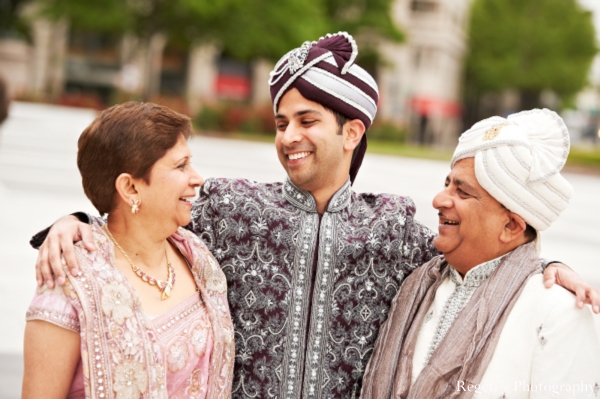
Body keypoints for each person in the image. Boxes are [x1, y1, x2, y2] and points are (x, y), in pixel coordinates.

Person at [31, 33, 600, 398]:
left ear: (353, 130)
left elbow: (473, 251)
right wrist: (75, 221)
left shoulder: (394, 228)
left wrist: (542, 265)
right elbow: (141, 216)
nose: (288, 137)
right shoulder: (233, 209)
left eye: (306, 121)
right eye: (281, 123)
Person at [361, 109, 600, 399]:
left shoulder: (559, 311)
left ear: (511, 225)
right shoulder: (417, 280)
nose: (439, 200)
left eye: (462, 192)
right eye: (447, 184)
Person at [22, 102, 234, 398]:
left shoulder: (196, 255)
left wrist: (72, 219)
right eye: (180, 165)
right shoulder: (69, 285)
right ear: (131, 188)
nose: (197, 178)